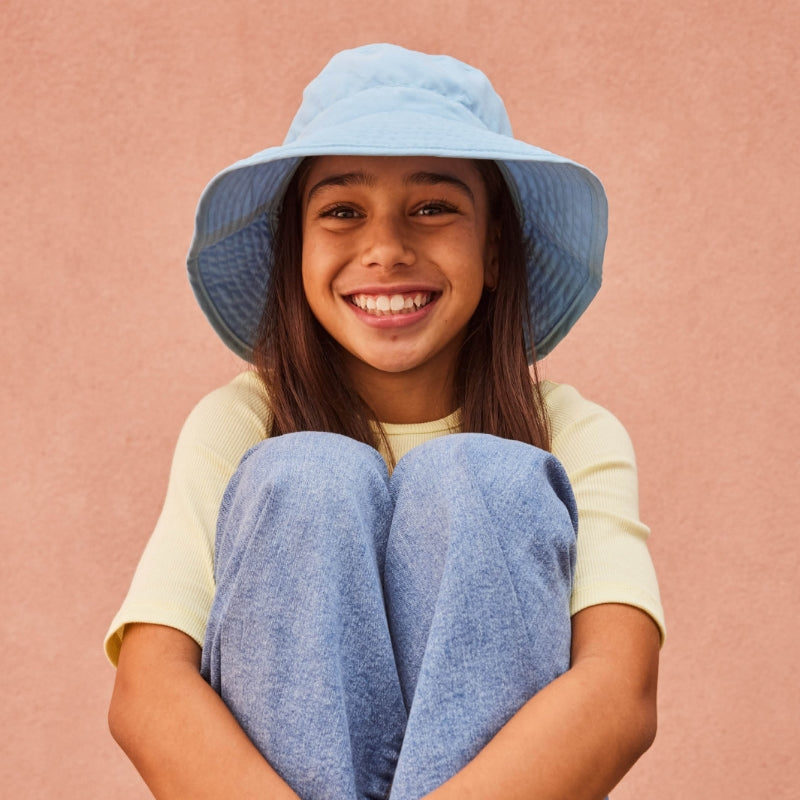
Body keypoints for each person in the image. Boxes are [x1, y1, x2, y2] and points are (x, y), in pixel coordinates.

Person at [106, 43, 665, 800]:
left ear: (494, 247)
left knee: (478, 477)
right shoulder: (241, 424)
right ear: (295, 253)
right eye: (341, 211)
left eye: (434, 207)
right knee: (306, 475)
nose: (387, 249)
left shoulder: (569, 431)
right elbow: (150, 689)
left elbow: (617, 690)